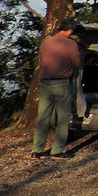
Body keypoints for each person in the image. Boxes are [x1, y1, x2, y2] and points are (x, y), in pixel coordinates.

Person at [31, 19, 82, 159]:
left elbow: (42, 59)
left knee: (43, 118)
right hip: (61, 84)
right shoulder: (71, 44)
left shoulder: (46, 42)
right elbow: (77, 62)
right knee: (63, 118)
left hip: (45, 84)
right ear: (70, 30)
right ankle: (57, 151)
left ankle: (36, 150)